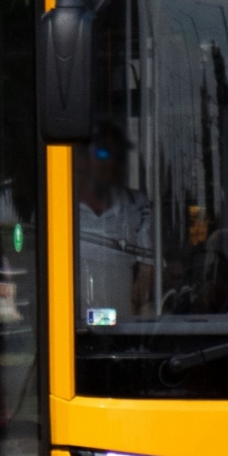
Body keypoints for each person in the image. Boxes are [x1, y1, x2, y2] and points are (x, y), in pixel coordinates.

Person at [74, 127, 153, 321]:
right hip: (69, 323)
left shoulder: (138, 204)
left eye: (116, 156)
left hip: (122, 319)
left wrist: (132, 305)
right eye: (101, 153)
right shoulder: (55, 204)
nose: (109, 162)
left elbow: (148, 266)